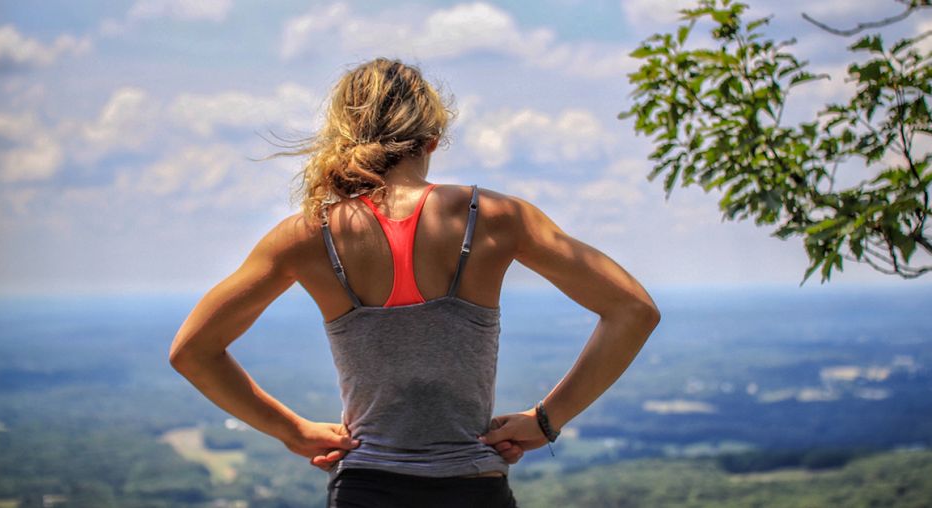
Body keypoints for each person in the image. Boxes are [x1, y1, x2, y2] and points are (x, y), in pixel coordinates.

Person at [168, 57, 661, 508]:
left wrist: (291, 431)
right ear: (430, 142)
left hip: (364, 490)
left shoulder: (306, 235)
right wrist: (547, 420)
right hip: (474, 491)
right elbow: (633, 310)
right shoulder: (495, 218)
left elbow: (192, 350)